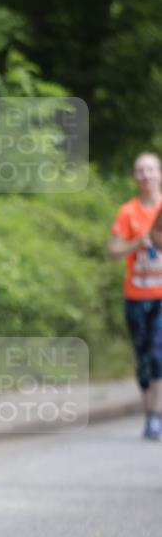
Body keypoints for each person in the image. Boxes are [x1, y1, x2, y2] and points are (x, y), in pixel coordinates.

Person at [108, 151, 162, 441]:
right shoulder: (128, 212)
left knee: (157, 353)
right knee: (143, 358)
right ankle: (149, 412)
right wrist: (136, 243)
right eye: (140, 171)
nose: (145, 175)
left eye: (151, 170)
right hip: (136, 296)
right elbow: (112, 252)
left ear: (160, 175)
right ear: (135, 177)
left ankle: (155, 415)